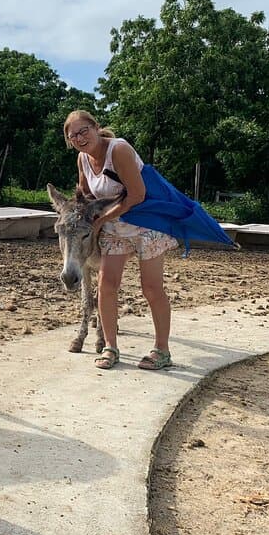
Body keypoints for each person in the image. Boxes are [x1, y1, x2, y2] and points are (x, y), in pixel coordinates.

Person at [64, 110, 177, 371]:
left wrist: (102, 221)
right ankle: (110, 347)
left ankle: (162, 350)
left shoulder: (119, 150)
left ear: (95, 127)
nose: (80, 138)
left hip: (146, 223)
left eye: (84, 131)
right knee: (106, 284)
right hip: (116, 226)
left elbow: (137, 195)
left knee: (151, 288)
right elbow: (85, 196)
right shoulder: (83, 159)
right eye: (74, 136)